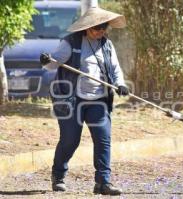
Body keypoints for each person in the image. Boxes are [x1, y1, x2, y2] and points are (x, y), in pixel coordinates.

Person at [40, 7, 129, 195]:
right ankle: (58, 176)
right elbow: (53, 64)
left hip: (99, 100)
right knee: (70, 140)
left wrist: (120, 84)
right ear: (88, 27)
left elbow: (115, 68)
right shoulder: (70, 43)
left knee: (103, 140)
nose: (101, 31)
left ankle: (103, 182)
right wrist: (46, 60)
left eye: (104, 27)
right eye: (97, 28)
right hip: (72, 100)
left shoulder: (106, 44)